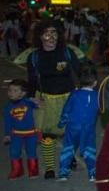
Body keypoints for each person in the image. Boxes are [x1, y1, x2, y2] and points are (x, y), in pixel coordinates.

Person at [25, 19, 82, 179]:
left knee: (69, 133)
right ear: (40, 36)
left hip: (67, 99)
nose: (50, 37)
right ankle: (49, 167)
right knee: (47, 135)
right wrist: (32, 98)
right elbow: (31, 79)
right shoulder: (34, 56)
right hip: (44, 99)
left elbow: (80, 72)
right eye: (46, 33)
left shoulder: (67, 53)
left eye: (54, 32)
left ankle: (70, 158)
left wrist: (84, 91)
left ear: (59, 35)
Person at [56, 64, 99, 182]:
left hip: (73, 126)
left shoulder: (74, 94)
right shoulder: (97, 96)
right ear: (95, 82)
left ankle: (63, 173)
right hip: (88, 128)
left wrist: (62, 122)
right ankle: (92, 174)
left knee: (69, 148)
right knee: (89, 149)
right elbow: (102, 109)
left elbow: (67, 109)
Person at [4, 79, 39, 179]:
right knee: (14, 152)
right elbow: (7, 122)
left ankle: (33, 171)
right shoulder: (7, 107)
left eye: (15, 91)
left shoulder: (28, 103)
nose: (11, 93)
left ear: (23, 93)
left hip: (31, 133)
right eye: (10, 90)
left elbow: (39, 106)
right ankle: (17, 170)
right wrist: (7, 134)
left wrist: (37, 102)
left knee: (31, 151)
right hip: (16, 134)